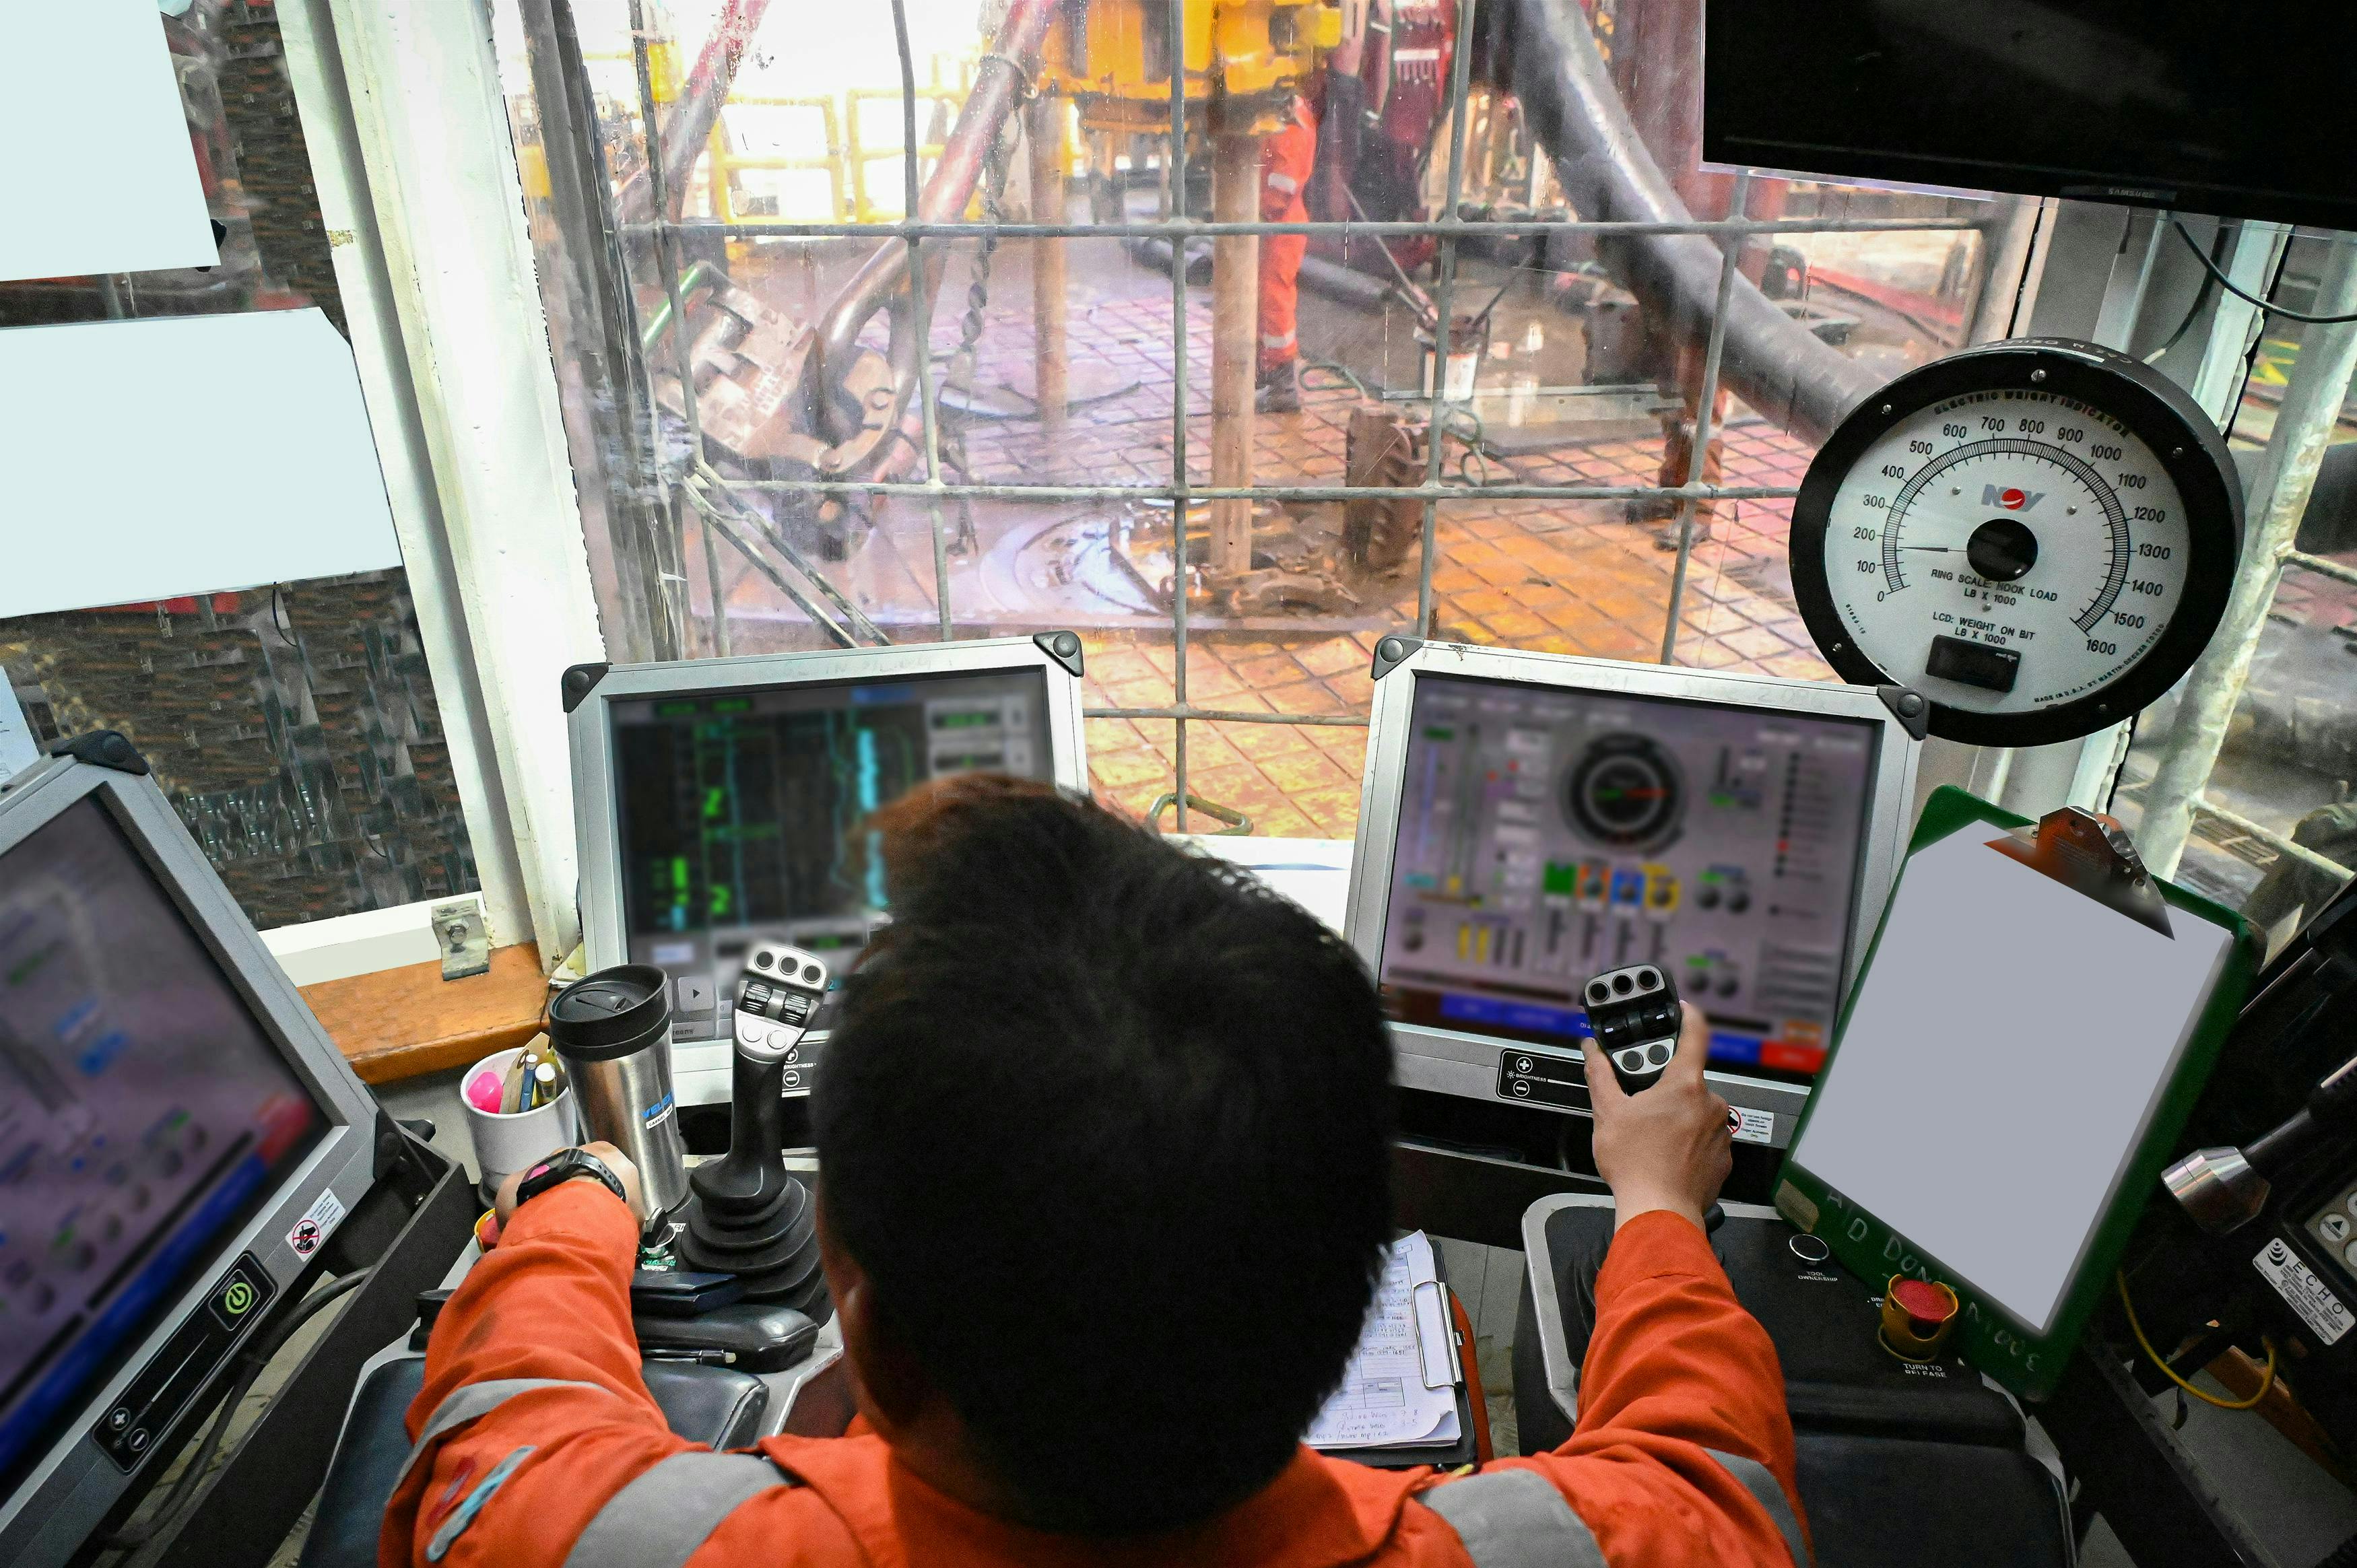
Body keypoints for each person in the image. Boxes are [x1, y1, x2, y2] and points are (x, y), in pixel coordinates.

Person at [385, 777, 1804, 1566]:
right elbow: (1718, 1476)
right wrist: (1658, 1204)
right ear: (1348, 1289)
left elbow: (495, 1425)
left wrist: (577, 1200)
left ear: (865, 1329)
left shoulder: (636, 1548)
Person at [1257, 94, 1319, 414]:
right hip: (1275, 222)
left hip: (1279, 224)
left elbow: (1282, 182)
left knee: (1273, 298)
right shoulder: (1285, 109)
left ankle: (1282, 384)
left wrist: (1259, 210)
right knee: (1264, 295)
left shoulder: (1289, 119)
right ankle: (1266, 373)